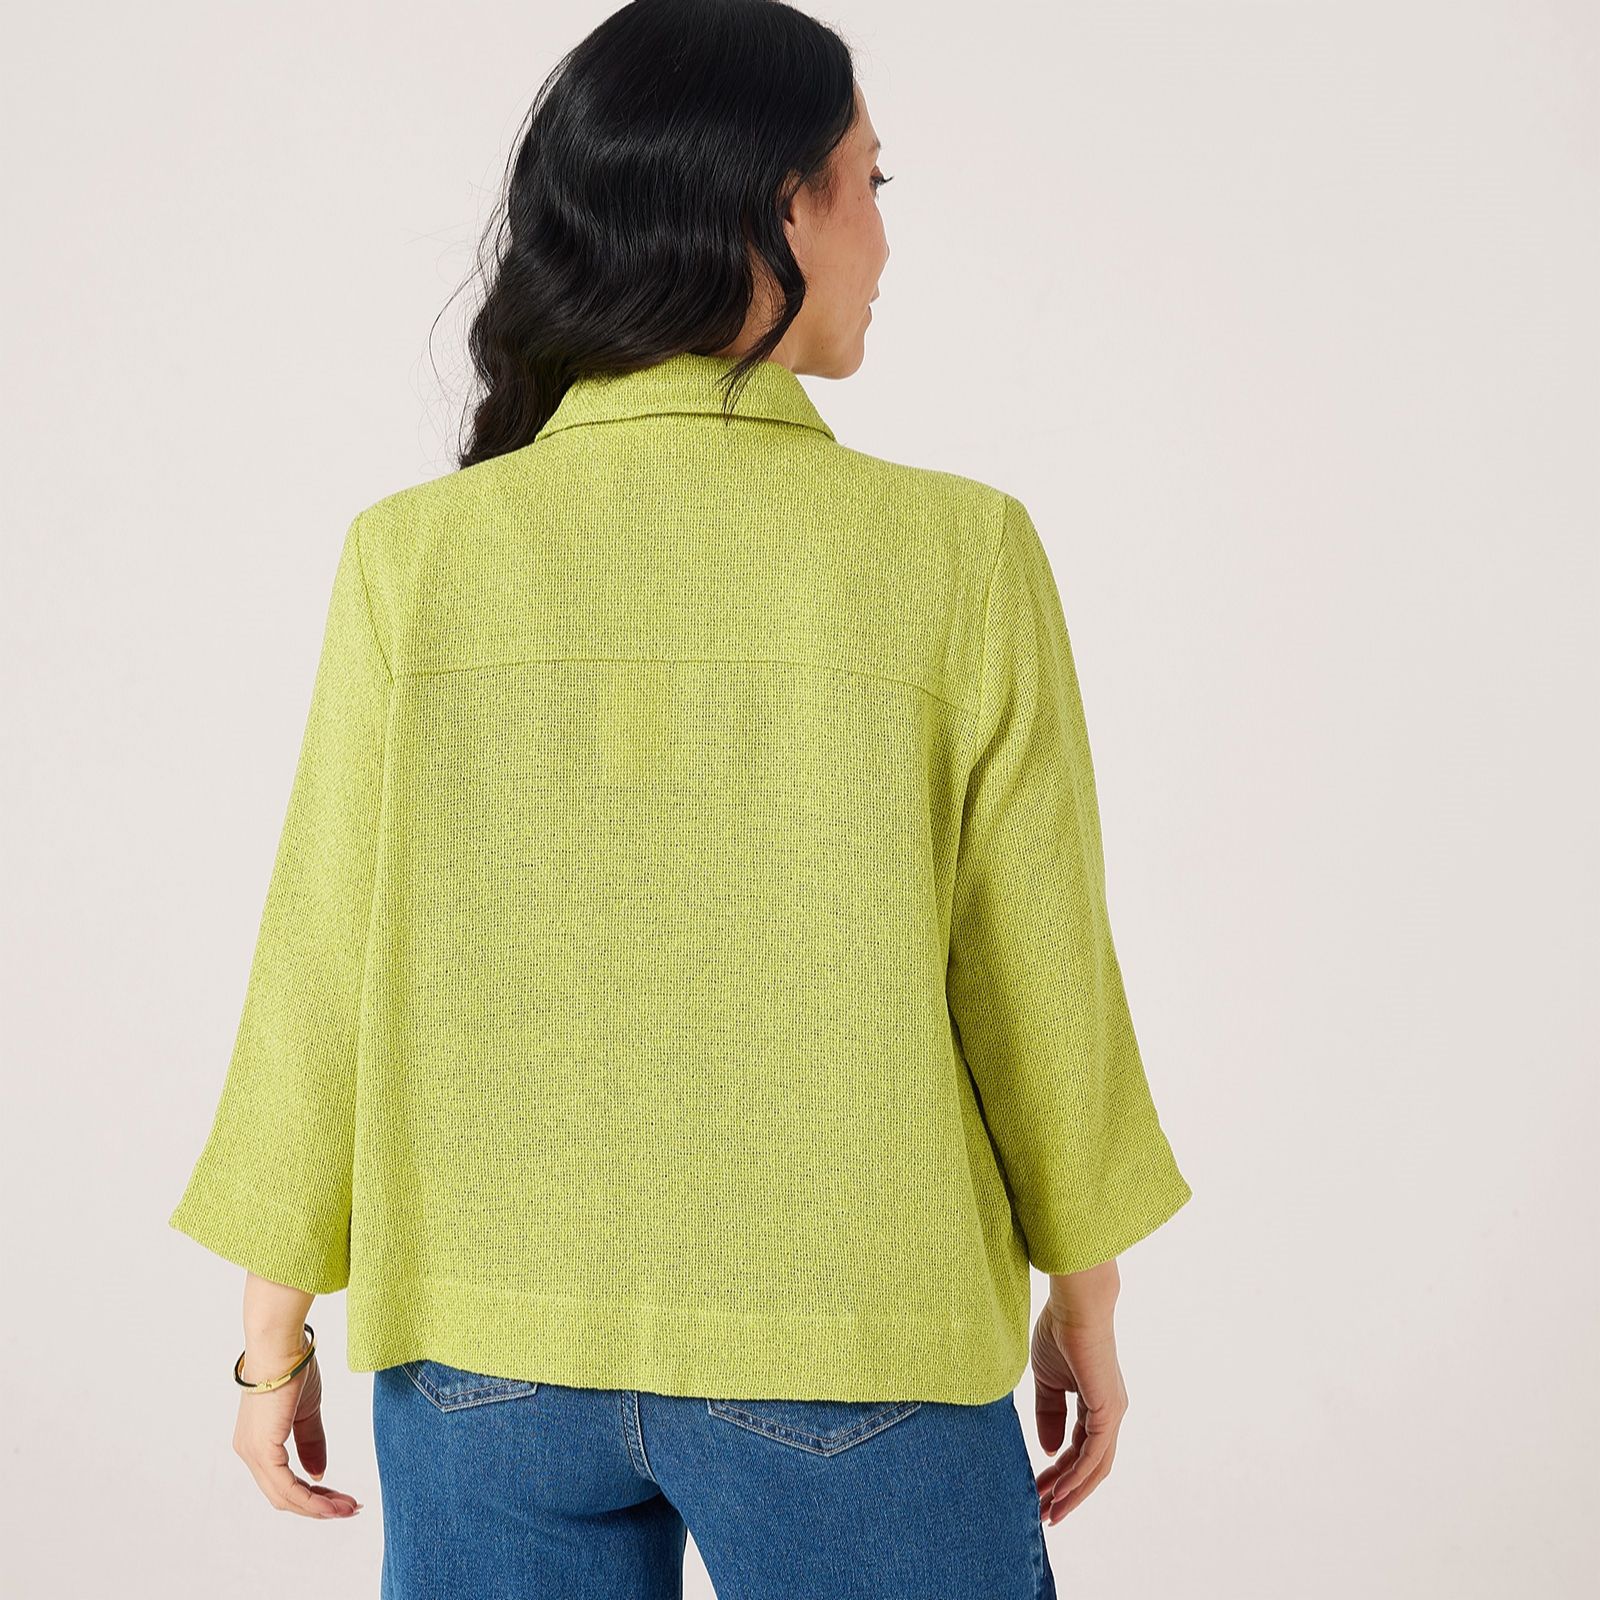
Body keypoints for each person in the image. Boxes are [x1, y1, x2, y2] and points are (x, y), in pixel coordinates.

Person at [167, 2, 1193, 1594]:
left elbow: (321, 965)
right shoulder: (958, 554)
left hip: (484, 1359)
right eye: (870, 183)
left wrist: (270, 1333)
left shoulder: (414, 560)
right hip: (854, 1339)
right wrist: (1088, 1302)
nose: (884, 239)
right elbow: (1037, 980)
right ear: (780, 207)